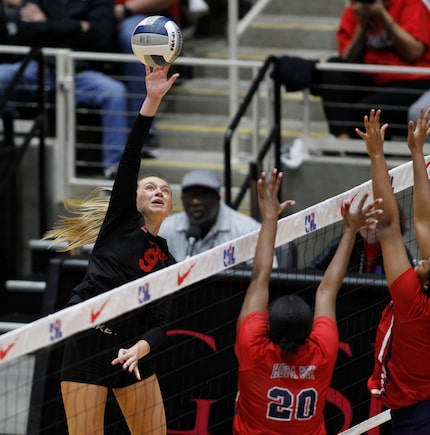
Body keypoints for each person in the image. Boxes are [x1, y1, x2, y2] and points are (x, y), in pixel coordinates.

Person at [43, 65, 179, 434]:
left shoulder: (170, 261)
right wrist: (152, 100)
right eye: (150, 187)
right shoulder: (121, 221)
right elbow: (130, 157)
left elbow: (161, 325)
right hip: (88, 339)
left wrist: (141, 349)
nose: (158, 192)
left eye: (165, 190)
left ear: (170, 207)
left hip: (130, 351)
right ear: (134, 199)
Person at [232, 168, 382, 434]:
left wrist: (269, 219)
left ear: (267, 329)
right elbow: (327, 291)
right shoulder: (321, 351)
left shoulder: (254, 348)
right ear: (309, 332)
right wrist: (350, 233)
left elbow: (259, 278)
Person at [356, 107, 430, 433]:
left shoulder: (411, 300)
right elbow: (423, 222)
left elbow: (389, 225)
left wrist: (377, 155)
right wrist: (417, 154)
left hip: (415, 412)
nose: (422, 261)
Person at [0, 0, 129, 179]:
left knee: (114, 92)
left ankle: (116, 169)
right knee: (1, 77)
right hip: (39, 69)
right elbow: (25, 31)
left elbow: (100, 37)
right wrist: (79, 26)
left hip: (80, 72)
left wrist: (45, 23)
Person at [312, 0, 430, 140]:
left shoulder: (411, 4)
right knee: (333, 68)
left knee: (367, 111)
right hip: (375, 79)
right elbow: (346, 60)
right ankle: (342, 142)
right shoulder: (356, 10)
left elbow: (414, 52)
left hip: (411, 81)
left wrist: (382, 15)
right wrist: (362, 26)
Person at [158, 168, 296, 267]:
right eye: (190, 195)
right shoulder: (164, 229)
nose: (195, 202)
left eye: (203, 195)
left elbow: (266, 279)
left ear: (218, 199)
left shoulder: (247, 230)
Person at [114, 0, 178, 158]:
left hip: (146, 18)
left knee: (139, 38)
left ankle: (142, 133)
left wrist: (125, 10)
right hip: (101, 15)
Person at [308, 199, 413, 274]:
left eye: (373, 216)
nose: (367, 222)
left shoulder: (398, 252)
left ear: (387, 221)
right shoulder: (344, 243)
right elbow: (310, 272)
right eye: (364, 216)